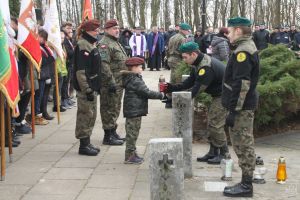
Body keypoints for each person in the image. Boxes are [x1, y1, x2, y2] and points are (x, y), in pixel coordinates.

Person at [166, 42, 228, 164]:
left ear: (193, 54)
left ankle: (225, 154)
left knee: (216, 125)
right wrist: (171, 88)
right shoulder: (198, 63)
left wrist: (177, 99)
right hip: (218, 95)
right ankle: (213, 152)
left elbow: (196, 90)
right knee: (211, 123)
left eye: (185, 57)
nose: (184, 60)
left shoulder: (205, 67)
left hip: (224, 96)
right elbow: (189, 82)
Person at [222, 17, 260, 197]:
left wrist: (233, 110)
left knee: (243, 143)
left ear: (238, 30)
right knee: (244, 141)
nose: (227, 34)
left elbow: (241, 84)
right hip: (244, 105)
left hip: (241, 107)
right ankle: (246, 182)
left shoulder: (242, 51)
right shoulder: (245, 46)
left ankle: (246, 186)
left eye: (229, 31)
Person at [121, 57, 165, 164]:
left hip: (134, 110)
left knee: (133, 132)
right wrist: (161, 95)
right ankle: (129, 156)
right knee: (132, 133)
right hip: (134, 111)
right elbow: (147, 92)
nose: (142, 69)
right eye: (140, 67)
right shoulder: (135, 80)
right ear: (134, 68)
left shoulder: (132, 77)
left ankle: (132, 153)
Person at [73, 19, 102, 156]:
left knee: (91, 115)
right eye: (95, 30)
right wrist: (87, 89)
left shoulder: (90, 43)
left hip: (92, 86)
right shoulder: (83, 45)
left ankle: (87, 142)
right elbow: (81, 71)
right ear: (88, 31)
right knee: (85, 115)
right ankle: (83, 146)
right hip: (86, 89)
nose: (97, 32)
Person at [98, 19, 127, 146]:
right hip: (110, 83)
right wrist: (111, 82)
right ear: (106, 30)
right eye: (114, 28)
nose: (117, 30)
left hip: (119, 82)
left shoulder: (115, 42)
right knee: (109, 108)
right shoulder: (104, 44)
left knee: (115, 107)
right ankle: (108, 136)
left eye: (118, 28)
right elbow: (104, 65)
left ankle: (113, 131)